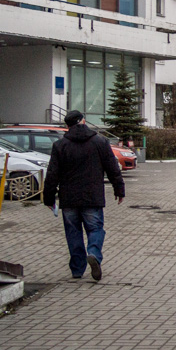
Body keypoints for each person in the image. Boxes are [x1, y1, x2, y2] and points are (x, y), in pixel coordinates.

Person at [43, 110, 125, 282]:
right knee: (95, 229)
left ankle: (77, 269)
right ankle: (93, 253)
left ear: (67, 126)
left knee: (73, 233)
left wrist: (49, 198)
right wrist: (119, 189)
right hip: (92, 197)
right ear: (83, 121)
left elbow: (52, 175)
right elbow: (112, 168)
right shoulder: (100, 142)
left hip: (69, 198)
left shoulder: (60, 145)